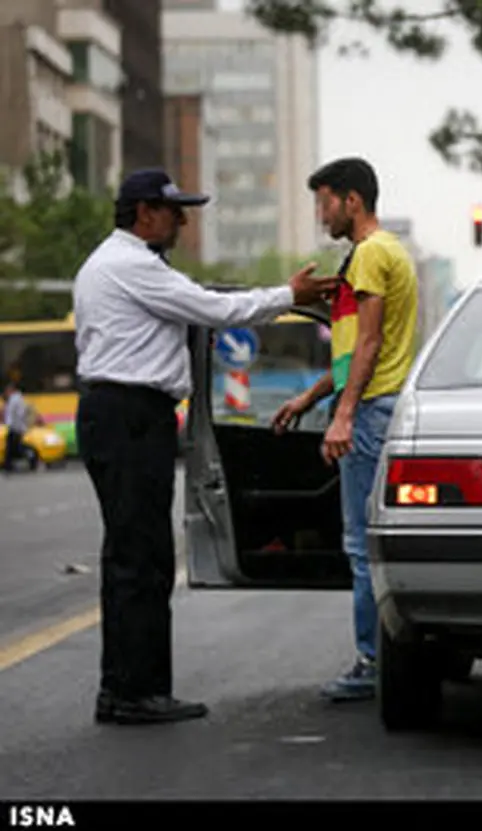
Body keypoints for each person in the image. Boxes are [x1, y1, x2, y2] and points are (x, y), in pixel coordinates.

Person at [73, 169, 339, 725]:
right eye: (175, 211)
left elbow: (206, 303)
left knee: (134, 555)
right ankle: (132, 693)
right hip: (128, 417)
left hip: (126, 416)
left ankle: (129, 687)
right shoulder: (130, 266)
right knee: (137, 558)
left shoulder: (126, 264)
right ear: (144, 213)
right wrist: (290, 295)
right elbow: (216, 311)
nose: (183, 221)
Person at [271, 157, 419, 702]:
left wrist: (344, 414)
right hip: (375, 403)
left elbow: (372, 345)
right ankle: (382, 655)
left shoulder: (373, 254)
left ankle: (373, 660)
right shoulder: (369, 256)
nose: (320, 214)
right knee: (369, 541)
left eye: (325, 201)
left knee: (362, 545)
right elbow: (350, 350)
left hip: (374, 409)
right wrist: (310, 397)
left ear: (352, 201)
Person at [3, 380, 28, 473]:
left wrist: (9, 425)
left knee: (12, 447)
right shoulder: (16, 398)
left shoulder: (15, 399)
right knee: (14, 447)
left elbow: (14, 414)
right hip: (16, 427)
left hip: (15, 427)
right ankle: (9, 464)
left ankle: (8, 465)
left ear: (11, 390)